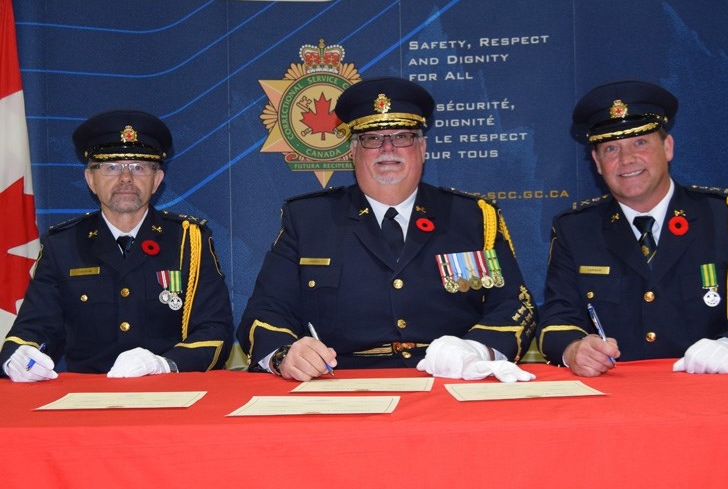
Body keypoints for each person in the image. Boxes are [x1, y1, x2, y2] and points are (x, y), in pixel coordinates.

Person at [238, 77, 537, 382]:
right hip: (341, 386)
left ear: (422, 148)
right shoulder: (308, 220)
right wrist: (285, 355)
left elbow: (516, 305)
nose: (388, 148)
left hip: (453, 382)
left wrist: (479, 350)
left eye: (403, 136)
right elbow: (265, 313)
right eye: (372, 138)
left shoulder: (473, 218)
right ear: (352, 151)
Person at [536, 80, 728, 377]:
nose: (627, 160)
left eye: (640, 143)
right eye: (610, 149)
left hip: (711, 397)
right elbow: (557, 320)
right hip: (613, 400)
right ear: (597, 162)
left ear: (667, 147)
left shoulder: (725, 218)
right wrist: (574, 349)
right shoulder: (576, 229)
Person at [0, 110, 234, 381]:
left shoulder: (189, 241)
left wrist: (164, 364)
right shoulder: (62, 245)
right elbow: (34, 328)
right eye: (112, 167)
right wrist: (19, 355)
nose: (125, 179)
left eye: (138, 167)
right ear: (91, 180)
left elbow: (216, 332)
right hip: (86, 402)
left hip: (171, 394)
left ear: (157, 180)